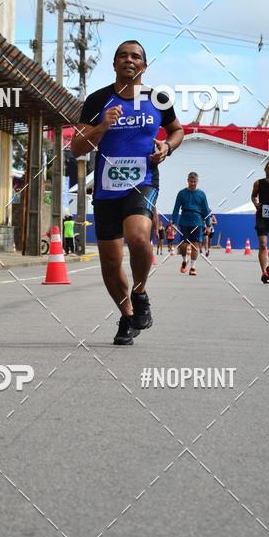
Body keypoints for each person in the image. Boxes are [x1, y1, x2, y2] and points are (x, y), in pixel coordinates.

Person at [70, 39, 184, 345]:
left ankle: (140, 290)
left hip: (143, 180)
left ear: (144, 66)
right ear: (114, 63)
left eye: (135, 56)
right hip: (107, 188)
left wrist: (167, 147)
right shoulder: (98, 101)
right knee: (110, 262)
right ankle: (127, 314)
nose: (128, 60)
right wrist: (101, 128)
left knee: (137, 236)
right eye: (122, 55)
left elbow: (177, 131)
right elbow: (77, 147)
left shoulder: (158, 99)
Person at [171, 172, 212, 276]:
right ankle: (185, 261)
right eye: (191, 181)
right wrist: (174, 223)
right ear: (187, 181)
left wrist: (209, 225)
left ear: (197, 181)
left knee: (195, 245)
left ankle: (193, 267)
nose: (193, 183)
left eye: (194, 182)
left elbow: (206, 210)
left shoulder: (201, 194)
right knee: (184, 245)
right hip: (184, 220)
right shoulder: (181, 193)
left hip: (197, 221)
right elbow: (176, 209)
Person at [251, 160, 269, 283]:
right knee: (263, 245)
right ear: (265, 169)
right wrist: (256, 204)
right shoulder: (258, 183)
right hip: (261, 216)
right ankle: (264, 273)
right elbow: (253, 196)